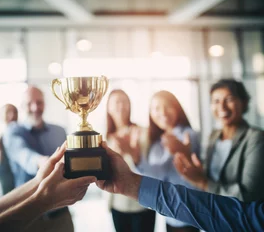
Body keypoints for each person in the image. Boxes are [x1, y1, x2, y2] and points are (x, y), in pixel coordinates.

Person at [96, 142, 264, 232]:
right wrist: (131, 183)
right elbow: (239, 216)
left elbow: (238, 214)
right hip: (174, 207)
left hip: (182, 208)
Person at [173, 79, 264, 203]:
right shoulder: (213, 136)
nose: (222, 107)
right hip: (214, 213)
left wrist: (203, 182)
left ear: (244, 102)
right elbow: (208, 176)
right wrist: (187, 157)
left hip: (240, 218)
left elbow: (248, 194)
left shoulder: (256, 138)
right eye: (216, 101)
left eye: (229, 99)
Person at [3, 86, 72, 232]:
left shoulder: (60, 131)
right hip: (29, 218)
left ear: (44, 104)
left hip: (61, 215)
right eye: (29, 103)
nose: (35, 108)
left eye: (39, 102)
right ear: (22, 106)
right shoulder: (13, 132)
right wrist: (45, 162)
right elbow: (24, 155)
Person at [130, 90, 200, 232]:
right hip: (170, 215)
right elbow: (155, 176)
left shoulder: (189, 135)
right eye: (156, 108)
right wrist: (135, 156)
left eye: (167, 106)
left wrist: (184, 152)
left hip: (189, 213)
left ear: (177, 108)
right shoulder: (156, 143)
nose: (162, 112)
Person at [105, 89, 154, 232]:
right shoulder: (105, 137)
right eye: (116, 102)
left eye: (124, 102)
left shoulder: (143, 132)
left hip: (141, 203)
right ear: (108, 107)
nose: (121, 106)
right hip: (116, 203)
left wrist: (131, 152)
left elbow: (150, 168)